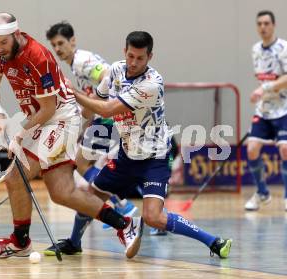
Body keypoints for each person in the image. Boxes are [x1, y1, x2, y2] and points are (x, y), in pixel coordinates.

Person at [0, 12, 142, 259]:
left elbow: (48, 109)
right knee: (62, 193)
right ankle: (125, 224)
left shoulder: (38, 57)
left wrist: (20, 134)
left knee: (16, 176)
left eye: (3, 43)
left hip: (61, 118)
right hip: (42, 120)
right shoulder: (0, 52)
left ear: (15, 34)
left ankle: (20, 242)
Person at [71, 30, 232, 258]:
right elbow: (94, 103)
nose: (134, 62)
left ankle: (215, 242)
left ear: (150, 57)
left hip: (154, 158)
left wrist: (72, 91)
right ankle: (73, 242)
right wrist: (75, 125)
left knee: (153, 217)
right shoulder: (115, 70)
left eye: (140, 58)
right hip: (127, 155)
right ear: (124, 51)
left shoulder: (151, 84)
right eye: (130, 56)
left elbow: (107, 109)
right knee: (89, 196)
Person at [42, 22, 138, 256]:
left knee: (82, 164)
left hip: (112, 115)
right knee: (85, 167)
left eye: (61, 43)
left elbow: (107, 77)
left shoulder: (82, 61)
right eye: (54, 45)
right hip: (108, 115)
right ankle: (113, 208)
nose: (58, 49)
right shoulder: (76, 65)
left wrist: (95, 108)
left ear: (72, 41)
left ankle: (121, 203)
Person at [245, 10, 287, 211]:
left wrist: (265, 89)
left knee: (285, 150)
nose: (263, 27)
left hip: (284, 108)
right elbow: (262, 77)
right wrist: (261, 94)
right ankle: (262, 192)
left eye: (266, 23)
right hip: (264, 109)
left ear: (273, 25)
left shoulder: (283, 48)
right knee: (252, 149)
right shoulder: (255, 50)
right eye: (259, 23)